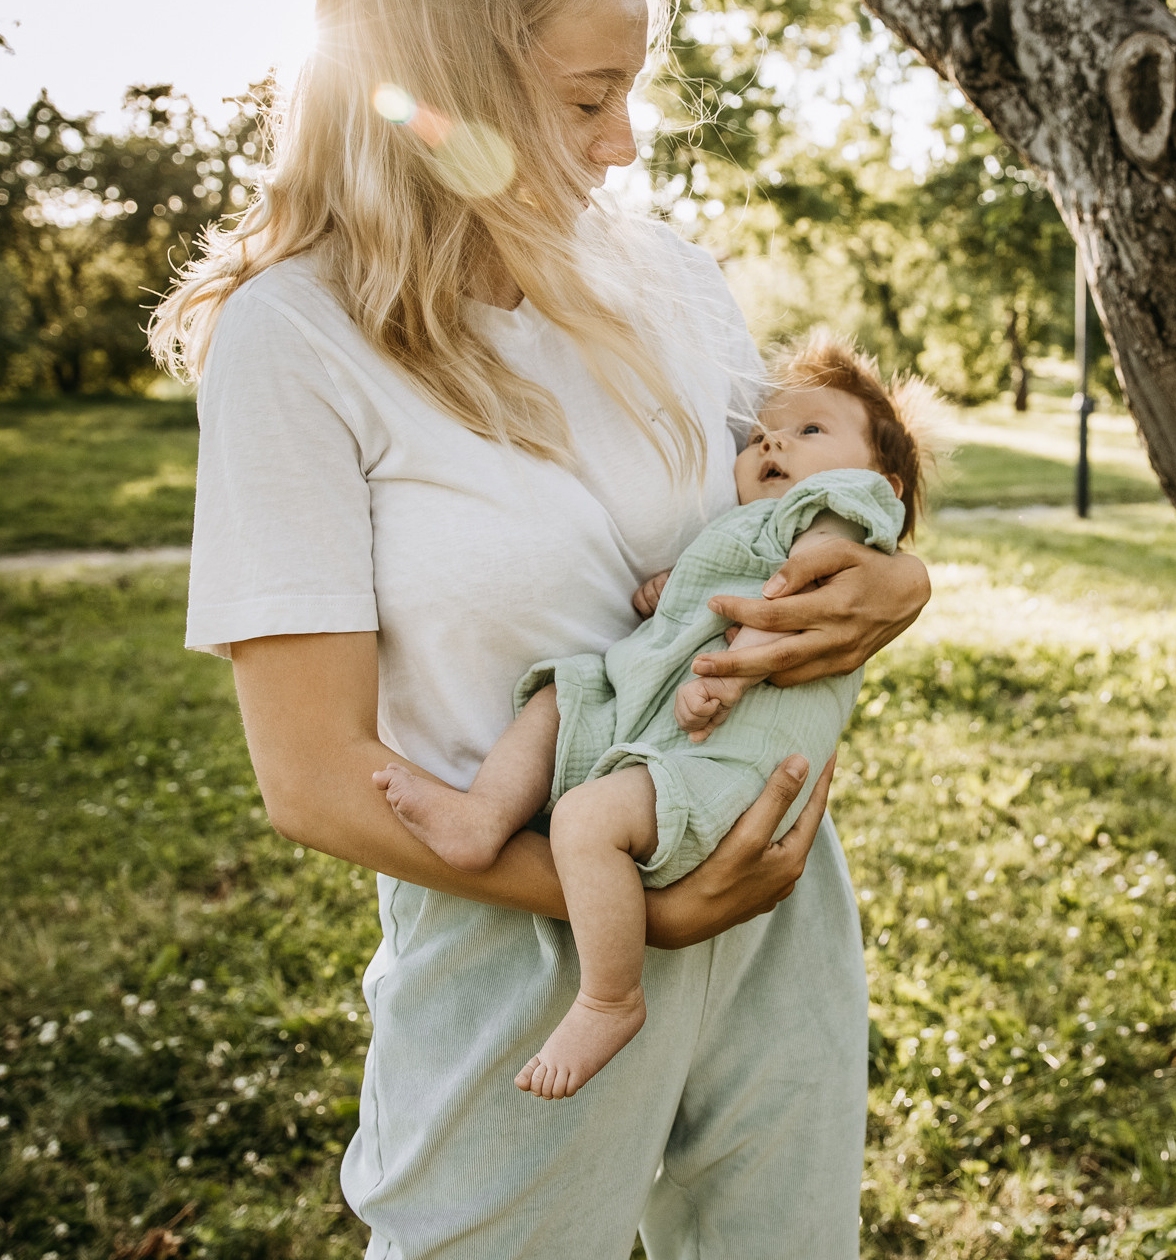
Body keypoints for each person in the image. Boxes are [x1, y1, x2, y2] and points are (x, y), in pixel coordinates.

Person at [150, 0, 930, 1260]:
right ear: (443, 93)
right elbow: (316, 781)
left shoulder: (665, 279)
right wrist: (644, 911)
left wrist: (898, 577)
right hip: (520, 942)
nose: (626, 140)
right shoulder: (299, 341)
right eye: (589, 97)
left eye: (631, 88)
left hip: (771, 887)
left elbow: (793, 501)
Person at [372, 337, 935, 1099]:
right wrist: (672, 588)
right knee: (557, 696)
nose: (773, 440)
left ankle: (610, 997)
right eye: (761, 433)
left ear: (882, 480)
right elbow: (731, 575)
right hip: (656, 719)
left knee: (583, 820)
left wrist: (734, 677)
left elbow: (795, 591)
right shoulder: (755, 524)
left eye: (810, 431)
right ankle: (483, 817)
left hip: (728, 752)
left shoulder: (838, 510)